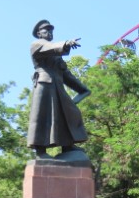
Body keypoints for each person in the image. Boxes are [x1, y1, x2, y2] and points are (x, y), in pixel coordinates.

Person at [27, 20, 91, 159]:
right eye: (46, 30)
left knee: (70, 113)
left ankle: (67, 145)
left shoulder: (56, 54)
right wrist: (66, 43)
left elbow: (65, 74)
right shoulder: (37, 45)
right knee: (43, 116)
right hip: (44, 85)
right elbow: (50, 47)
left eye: (51, 31)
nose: (50, 33)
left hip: (58, 87)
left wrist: (81, 88)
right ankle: (40, 150)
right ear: (39, 33)